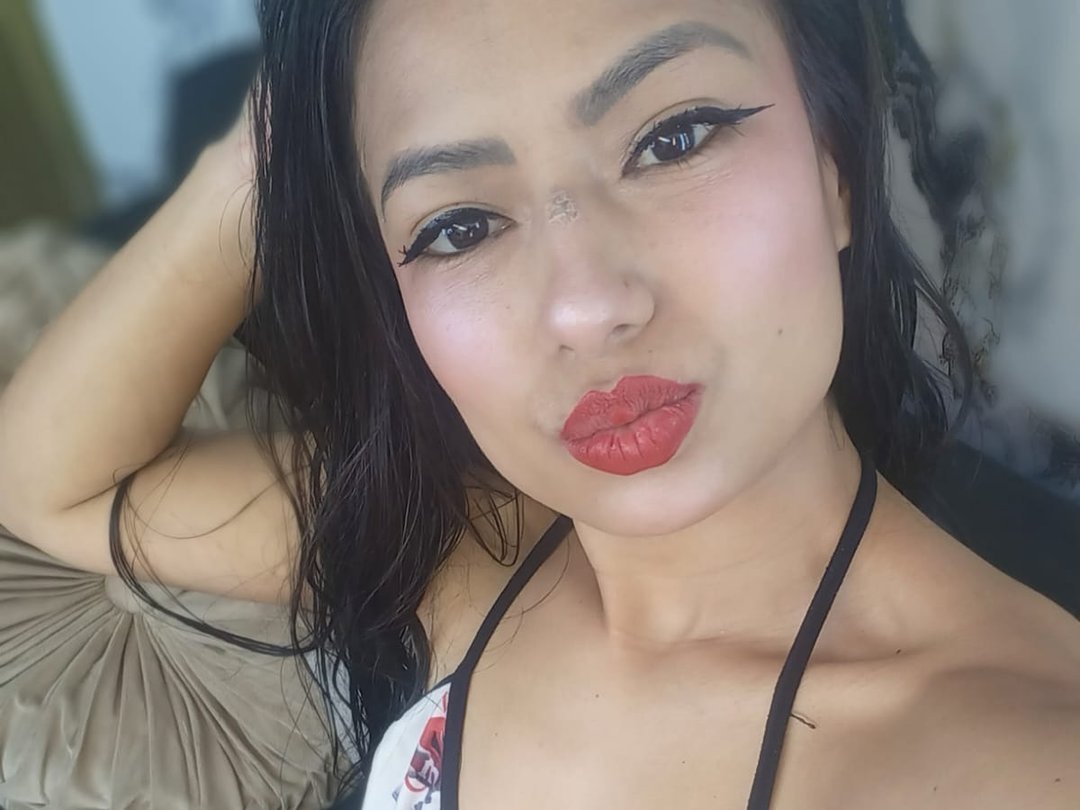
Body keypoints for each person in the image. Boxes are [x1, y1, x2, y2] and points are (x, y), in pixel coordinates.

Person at [0, 0, 1077, 808]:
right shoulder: (464, 549)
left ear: (837, 166)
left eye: (674, 138)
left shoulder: (1022, 760)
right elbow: (54, 486)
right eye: (458, 226)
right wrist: (273, 148)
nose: (586, 308)